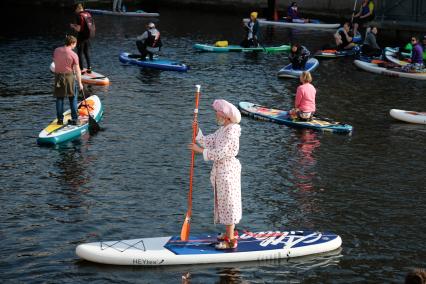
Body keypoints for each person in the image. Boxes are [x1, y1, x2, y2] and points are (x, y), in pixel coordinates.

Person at [189, 99, 242, 250]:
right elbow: (209, 141)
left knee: (229, 203)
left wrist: (199, 151)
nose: (216, 117)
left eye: (217, 114)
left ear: (226, 117)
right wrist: (197, 131)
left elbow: (221, 152)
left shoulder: (232, 131)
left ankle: (231, 240)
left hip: (228, 171)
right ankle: (228, 233)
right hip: (221, 171)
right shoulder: (223, 129)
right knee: (223, 202)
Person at [53, 35, 83, 125]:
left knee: (59, 98)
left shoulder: (56, 50)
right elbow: (78, 71)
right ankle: (75, 119)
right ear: (72, 43)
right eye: (75, 44)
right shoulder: (74, 55)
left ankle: (60, 120)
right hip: (69, 77)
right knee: (73, 98)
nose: (75, 46)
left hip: (58, 77)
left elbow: (55, 62)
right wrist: (80, 83)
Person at [70, 3, 95, 73]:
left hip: (82, 36)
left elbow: (79, 29)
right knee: (86, 52)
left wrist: (73, 26)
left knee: (79, 53)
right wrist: (76, 25)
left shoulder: (79, 16)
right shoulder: (87, 14)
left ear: (77, 9)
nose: (75, 11)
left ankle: (81, 70)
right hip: (88, 35)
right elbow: (85, 25)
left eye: (75, 9)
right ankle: (89, 68)